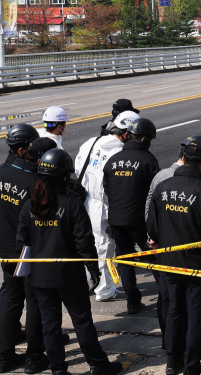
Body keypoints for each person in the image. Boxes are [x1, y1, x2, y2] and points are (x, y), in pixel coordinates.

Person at [16, 149, 122, 375]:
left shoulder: (30, 206)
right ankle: (98, 365)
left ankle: (58, 370)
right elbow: (84, 242)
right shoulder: (72, 205)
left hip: (40, 278)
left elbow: (22, 243)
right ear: (65, 176)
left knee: (50, 326)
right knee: (82, 322)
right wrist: (94, 271)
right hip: (70, 277)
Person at [147, 136, 201, 375]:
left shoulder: (162, 188)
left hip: (169, 264)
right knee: (195, 315)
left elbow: (152, 227)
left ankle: (173, 363)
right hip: (197, 267)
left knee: (173, 310)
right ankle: (192, 367)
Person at [143, 136, 201, 350]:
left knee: (171, 305)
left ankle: (171, 353)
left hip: (166, 257)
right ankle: (191, 363)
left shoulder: (161, 178)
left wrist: (155, 240)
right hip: (195, 262)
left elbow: (150, 215)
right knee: (194, 312)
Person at [0, 138, 57, 374]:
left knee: (12, 299)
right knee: (34, 302)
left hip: (5, 249)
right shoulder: (36, 183)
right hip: (27, 251)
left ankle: (4, 356)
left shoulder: (3, 172)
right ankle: (34, 356)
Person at [75, 110, 141, 303]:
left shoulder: (91, 142)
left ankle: (93, 279)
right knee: (103, 246)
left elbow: (78, 167)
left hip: (84, 200)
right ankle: (104, 290)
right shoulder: (120, 152)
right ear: (127, 134)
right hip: (103, 204)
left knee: (88, 243)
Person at [103, 118, 159, 314]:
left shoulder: (112, 160)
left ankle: (132, 302)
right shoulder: (148, 160)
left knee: (125, 260)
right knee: (155, 257)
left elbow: (107, 189)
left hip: (116, 219)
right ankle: (167, 296)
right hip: (140, 221)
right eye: (149, 139)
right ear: (143, 139)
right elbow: (156, 194)